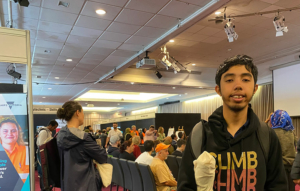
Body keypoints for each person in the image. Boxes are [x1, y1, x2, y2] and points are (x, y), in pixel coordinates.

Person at [178, 55, 287, 190]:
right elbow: (185, 186)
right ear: (218, 90)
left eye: (245, 79)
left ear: (255, 88)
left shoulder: (267, 136)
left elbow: (278, 186)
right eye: (229, 80)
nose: (238, 86)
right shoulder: (200, 134)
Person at [56, 101, 107, 191]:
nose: (83, 115)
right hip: (86, 184)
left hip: (67, 184)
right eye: (83, 112)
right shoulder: (84, 138)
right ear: (77, 113)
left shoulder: (60, 135)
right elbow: (103, 157)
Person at [266, 110, 296, 191]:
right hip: (291, 167)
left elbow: (259, 131)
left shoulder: (271, 132)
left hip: (278, 167)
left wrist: (266, 121)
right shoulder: (291, 132)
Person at [0, 117, 29, 183]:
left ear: (18, 133)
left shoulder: (27, 151)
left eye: (13, 131)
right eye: (5, 131)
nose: (10, 134)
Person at [36, 120, 58, 189]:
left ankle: (47, 186)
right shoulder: (43, 132)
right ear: (50, 125)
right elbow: (41, 144)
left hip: (46, 154)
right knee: (43, 171)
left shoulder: (48, 132)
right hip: (42, 154)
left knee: (47, 171)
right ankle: (44, 188)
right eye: (54, 127)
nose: (54, 129)